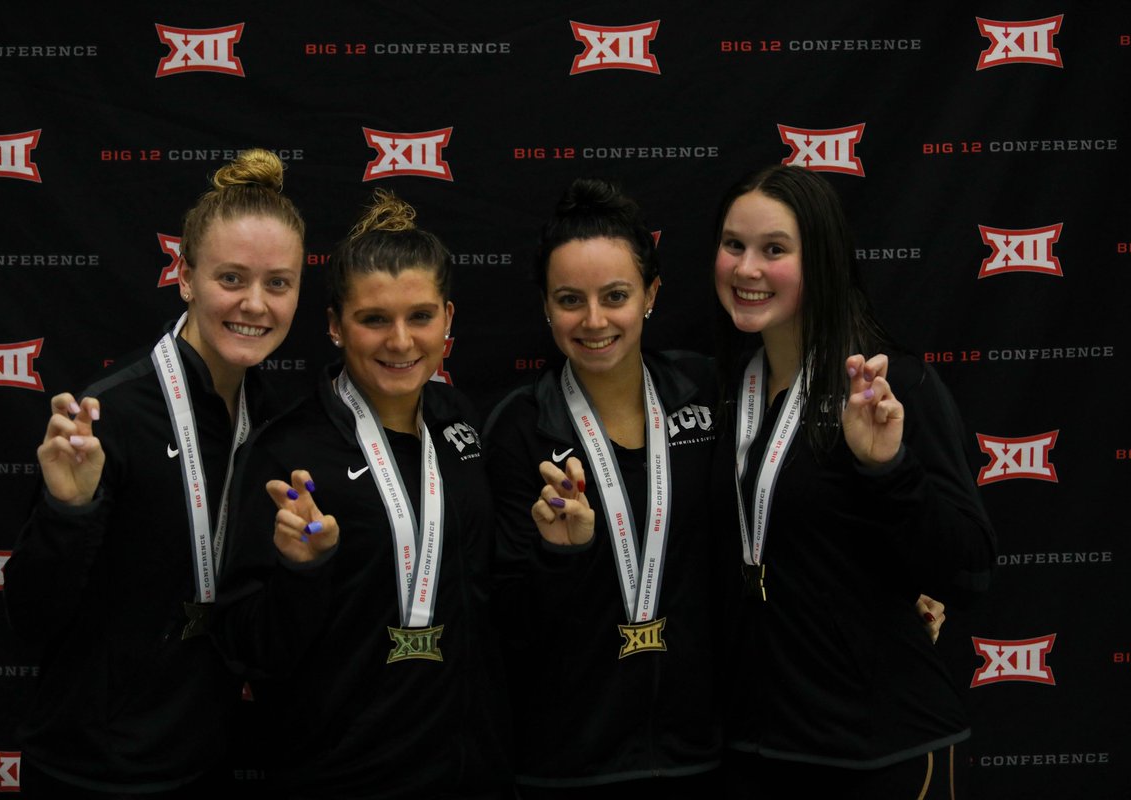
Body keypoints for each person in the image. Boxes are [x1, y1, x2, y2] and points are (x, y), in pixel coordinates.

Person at [3, 149, 307, 797]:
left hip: (205, 760)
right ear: (186, 277)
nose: (255, 304)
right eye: (231, 278)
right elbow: (29, 617)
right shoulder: (109, 416)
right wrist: (68, 512)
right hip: (91, 771)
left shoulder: (274, 422)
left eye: (278, 283)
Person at [212, 189, 511, 799]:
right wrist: (302, 571)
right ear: (334, 326)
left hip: (469, 770)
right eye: (374, 319)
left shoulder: (458, 421)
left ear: (448, 319)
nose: (400, 341)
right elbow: (247, 646)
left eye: (420, 316)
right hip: (342, 776)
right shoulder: (287, 454)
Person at [710, 163, 996, 798]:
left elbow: (970, 571)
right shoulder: (726, 393)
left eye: (774, 250)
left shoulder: (892, 388)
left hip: (880, 752)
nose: (747, 269)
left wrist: (888, 470)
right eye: (734, 245)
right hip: (758, 750)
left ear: (824, 262)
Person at [483, 177, 724, 796]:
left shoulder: (706, 394)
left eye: (615, 295)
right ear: (545, 305)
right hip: (569, 762)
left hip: (701, 753)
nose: (594, 321)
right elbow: (502, 619)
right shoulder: (518, 428)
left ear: (651, 294)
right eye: (570, 300)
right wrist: (559, 555)